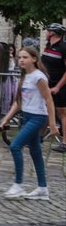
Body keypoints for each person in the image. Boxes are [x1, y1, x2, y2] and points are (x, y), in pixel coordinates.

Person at [0, 46, 59, 200]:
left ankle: (18, 185)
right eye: (19, 57)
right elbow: (18, 102)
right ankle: (42, 189)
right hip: (27, 116)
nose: (21, 60)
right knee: (35, 152)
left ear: (34, 59)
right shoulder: (24, 77)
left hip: (38, 117)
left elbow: (49, 100)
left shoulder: (39, 77)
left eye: (25, 57)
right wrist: (6, 119)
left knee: (15, 146)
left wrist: (52, 124)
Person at [42, 23, 65, 152]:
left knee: (62, 114)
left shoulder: (63, 47)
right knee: (44, 111)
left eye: (48, 31)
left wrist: (57, 87)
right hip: (47, 85)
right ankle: (38, 137)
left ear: (53, 33)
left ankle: (65, 143)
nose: (46, 33)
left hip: (60, 86)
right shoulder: (48, 46)